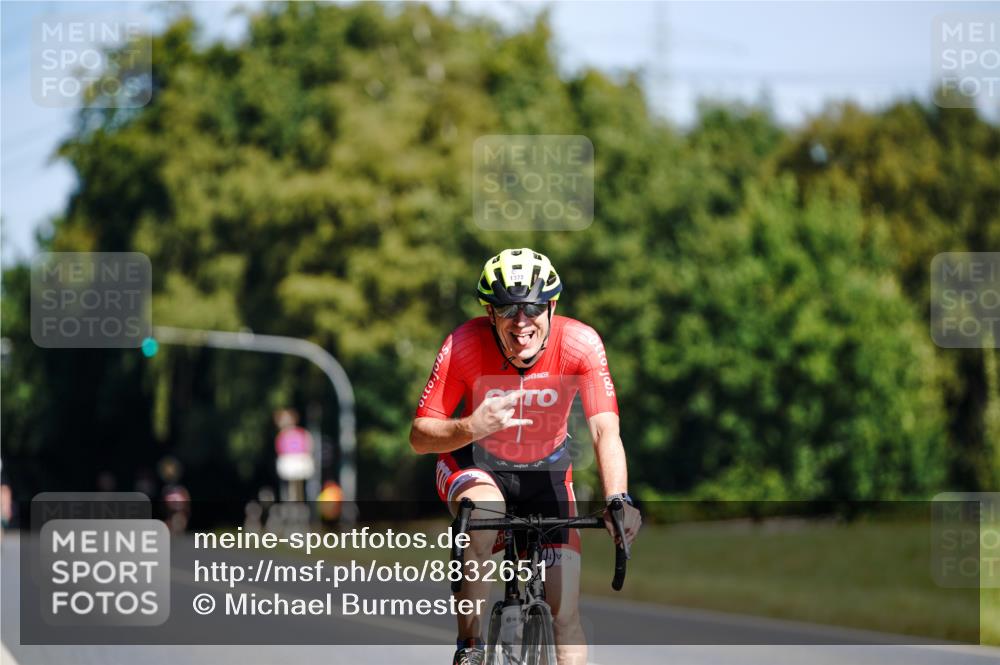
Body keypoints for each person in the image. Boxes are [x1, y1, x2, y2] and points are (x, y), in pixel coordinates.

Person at [410, 248, 641, 665]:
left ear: (552, 306)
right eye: (507, 309)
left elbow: (605, 429)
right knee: (484, 512)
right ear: (489, 312)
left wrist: (617, 498)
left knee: (565, 615)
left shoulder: (580, 344)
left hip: (547, 472)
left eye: (533, 307)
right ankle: (470, 646)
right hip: (475, 463)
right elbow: (420, 436)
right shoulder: (463, 344)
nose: (521, 322)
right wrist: (471, 426)